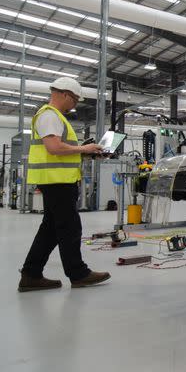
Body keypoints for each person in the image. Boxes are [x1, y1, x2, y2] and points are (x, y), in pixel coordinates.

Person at [18, 77, 111, 292]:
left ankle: (31, 275)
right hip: (57, 181)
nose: (75, 104)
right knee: (70, 227)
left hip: (57, 180)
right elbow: (53, 147)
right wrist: (84, 150)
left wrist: (88, 154)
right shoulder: (50, 115)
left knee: (50, 230)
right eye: (75, 99)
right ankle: (78, 274)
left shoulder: (53, 116)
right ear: (65, 94)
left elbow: (61, 151)